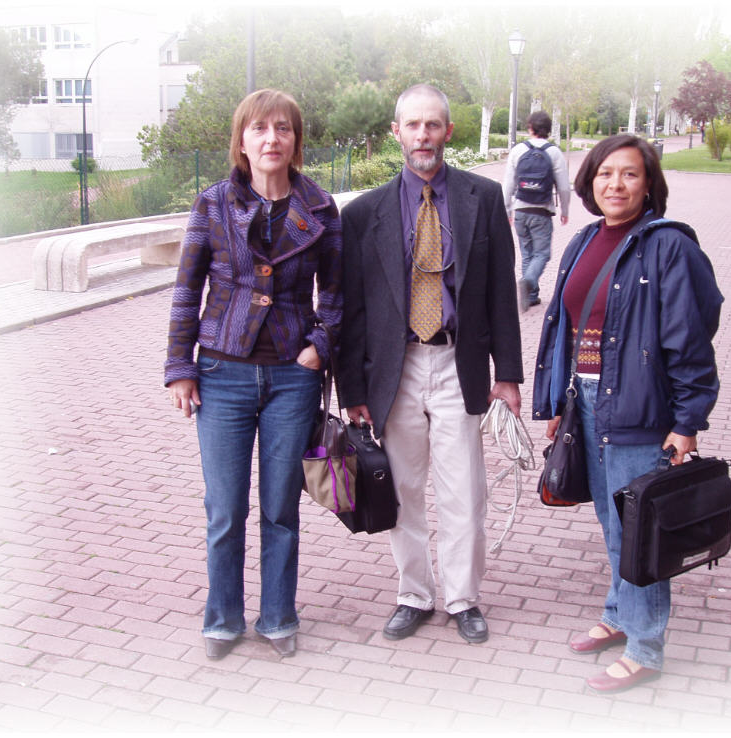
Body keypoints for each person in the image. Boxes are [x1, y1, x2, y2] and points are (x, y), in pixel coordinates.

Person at [532, 134, 723, 692]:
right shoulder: (586, 238)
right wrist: (559, 403)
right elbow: (563, 331)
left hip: (641, 411)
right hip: (587, 403)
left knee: (639, 529)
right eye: (605, 174)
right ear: (590, 181)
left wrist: (686, 421)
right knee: (611, 522)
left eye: (630, 175)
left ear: (649, 183)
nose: (615, 185)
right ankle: (620, 615)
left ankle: (645, 647)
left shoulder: (668, 246)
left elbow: (690, 339)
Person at [338, 84, 523, 645]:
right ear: (397, 132)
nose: (423, 135)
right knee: (403, 488)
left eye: (433, 125)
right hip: (392, 372)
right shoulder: (363, 212)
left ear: (448, 131)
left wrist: (508, 374)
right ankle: (414, 594)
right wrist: (352, 389)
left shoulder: (482, 198)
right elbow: (352, 309)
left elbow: (499, 292)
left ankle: (464, 597)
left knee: (464, 489)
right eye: (413, 125)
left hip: (456, 362)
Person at [164, 89, 342, 661]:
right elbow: (188, 289)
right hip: (222, 373)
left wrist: (318, 348)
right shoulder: (213, 204)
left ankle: (278, 615)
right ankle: (222, 619)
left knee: (280, 507)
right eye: (260, 129)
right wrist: (179, 368)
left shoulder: (319, 208)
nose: (272, 139)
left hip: (293, 378)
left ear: (296, 140)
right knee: (225, 507)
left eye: (283, 128)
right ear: (241, 140)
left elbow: (337, 294)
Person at [501, 109, 571, 311]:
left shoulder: (518, 151)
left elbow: (508, 184)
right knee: (542, 254)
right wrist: (564, 209)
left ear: (530, 128)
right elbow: (564, 187)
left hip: (521, 209)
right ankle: (529, 281)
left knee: (527, 253)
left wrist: (507, 210)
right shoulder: (554, 152)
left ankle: (531, 296)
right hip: (541, 211)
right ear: (548, 130)